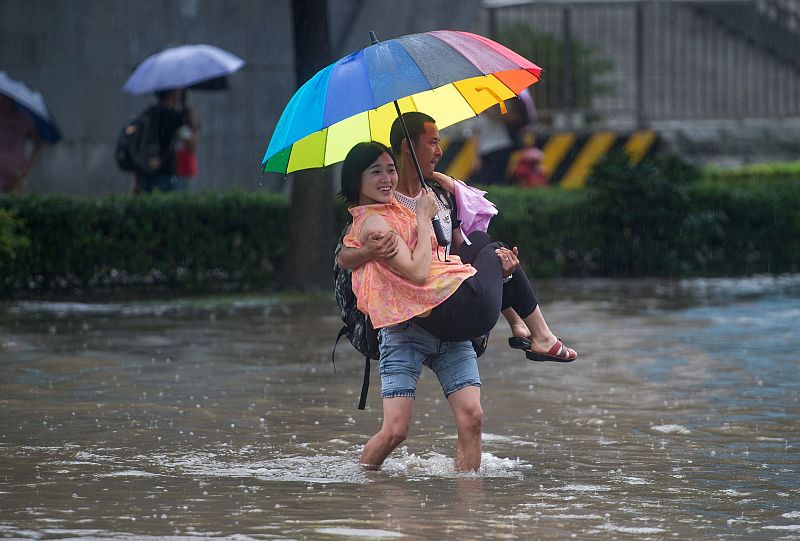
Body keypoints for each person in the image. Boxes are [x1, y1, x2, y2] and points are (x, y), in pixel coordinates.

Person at [339, 141, 576, 472]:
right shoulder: (376, 222)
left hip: (446, 318)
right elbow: (418, 272)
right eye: (375, 171)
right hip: (405, 329)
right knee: (395, 431)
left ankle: (468, 508)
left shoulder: (405, 203)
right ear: (355, 181)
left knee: (472, 418)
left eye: (390, 169)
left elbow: (446, 248)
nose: (386, 178)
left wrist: (440, 189)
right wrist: (423, 218)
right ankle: (360, 480)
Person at [130, 88, 197, 195]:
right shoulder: (174, 117)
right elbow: (191, 145)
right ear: (172, 93)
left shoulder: (147, 113)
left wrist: (135, 182)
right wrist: (192, 123)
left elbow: (137, 146)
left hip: (144, 175)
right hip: (166, 175)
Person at [0, 94, 43, 193]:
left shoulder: (22, 119)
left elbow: (38, 141)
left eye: (4, 100)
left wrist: (28, 166)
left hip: (17, 168)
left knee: (17, 199)